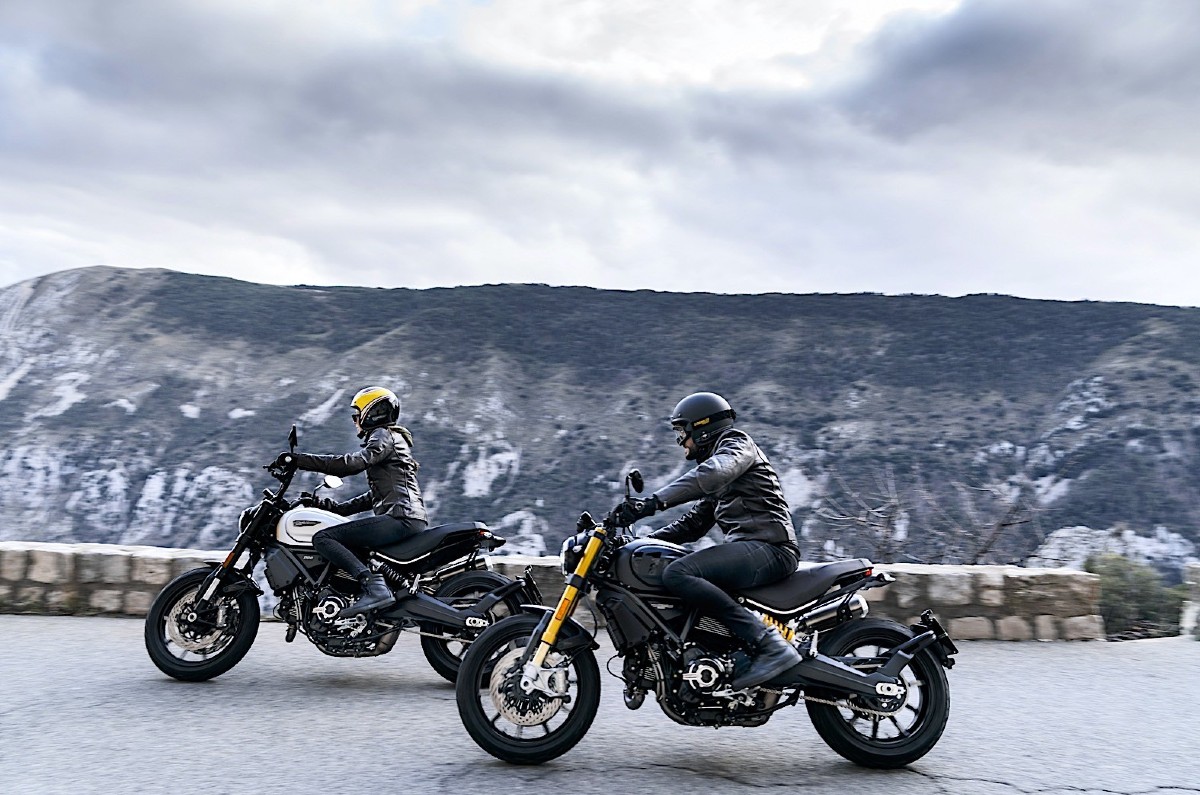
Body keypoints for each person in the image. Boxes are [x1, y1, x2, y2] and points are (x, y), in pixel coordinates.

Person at [613, 391, 802, 690]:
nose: (681, 442)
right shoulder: (723, 472)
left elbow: (712, 473)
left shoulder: (737, 445)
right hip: (752, 549)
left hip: (771, 548)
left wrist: (652, 503)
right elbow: (693, 525)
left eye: (683, 432)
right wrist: (640, 543)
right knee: (678, 572)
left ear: (702, 427)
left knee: (678, 573)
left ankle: (771, 645)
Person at [273, 386, 428, 618]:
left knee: (323, 538)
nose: (355, 421)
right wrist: (335, 508)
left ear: (372, 413)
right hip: (407, 517)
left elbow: (351, 464)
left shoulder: (383, 435)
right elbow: (376, 496)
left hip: (399, 518)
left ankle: (373, 587)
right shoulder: (394, 439)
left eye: (357, 415)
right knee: (350, 544)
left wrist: (298, 460)